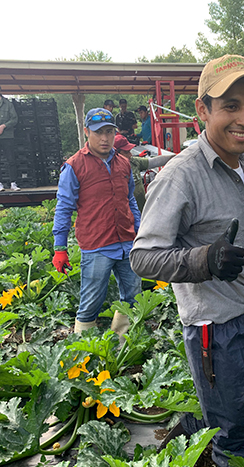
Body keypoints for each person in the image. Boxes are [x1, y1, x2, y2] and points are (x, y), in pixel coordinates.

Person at [130, 54, 244, 467]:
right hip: (213, 329)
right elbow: (142, 257)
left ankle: (205, 427)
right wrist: (204, 259)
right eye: (230, 106)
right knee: (233, 423)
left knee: (243, 400)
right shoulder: (180, 177)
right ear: (203, 110)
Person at [52, 108, 142, 337]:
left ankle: (123, 345)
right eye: (98, 132)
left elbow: (129, 199)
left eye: (109, 132)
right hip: (97, 245)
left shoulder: (123, 164)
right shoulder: (74, 166)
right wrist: (59, 248)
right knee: (91, 300)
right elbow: (64, 208)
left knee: (133, 296)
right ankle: (85, 351)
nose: (104, 138)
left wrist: (140, 231)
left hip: (127, 242)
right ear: (86, 133)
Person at [113, 133, 175, 212]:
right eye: (126, 152)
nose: (130, 154)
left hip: (140, 211)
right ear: (116, 152)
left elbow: (154, 162)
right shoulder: (111, 169)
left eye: (130, 151)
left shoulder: (133, 161)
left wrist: (176, 157)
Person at [0, 89, 20, 192]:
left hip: (7, 136)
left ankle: (13, 183)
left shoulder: (8, 104)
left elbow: (14, 119)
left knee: (11, 160)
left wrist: (4, 126)